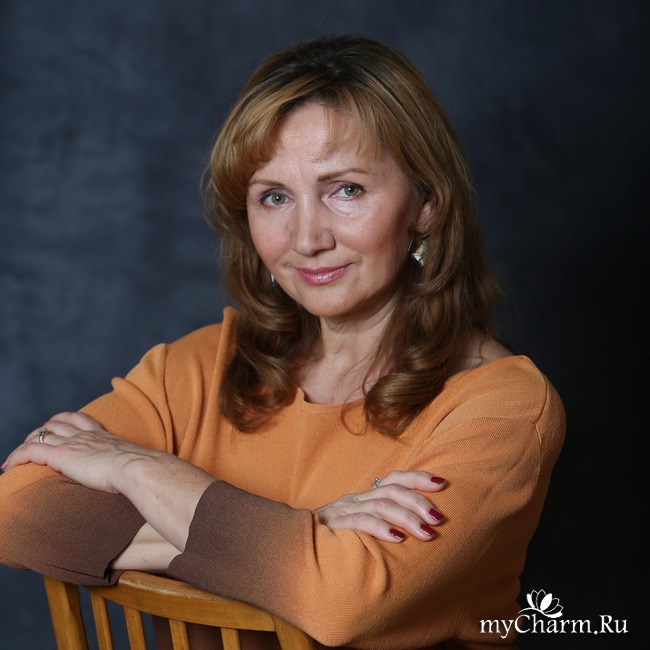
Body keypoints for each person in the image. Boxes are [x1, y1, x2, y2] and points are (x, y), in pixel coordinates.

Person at [0, 35, 565, 649]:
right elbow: (13, 509)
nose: (307, 238)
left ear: (425, 202)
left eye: (346, 189)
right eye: (274, 197)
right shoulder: (198, 367)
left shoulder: (502, 406)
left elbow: (341, 601)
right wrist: (311, 533)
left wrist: (138, 468)